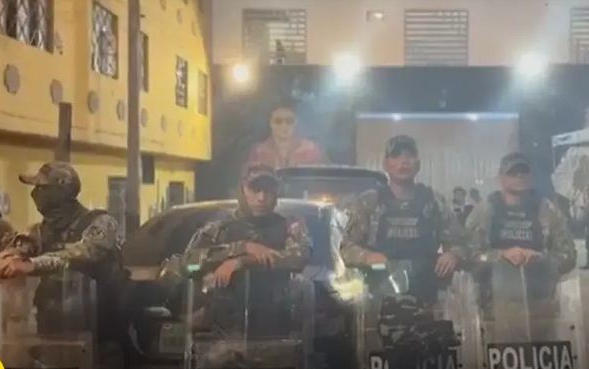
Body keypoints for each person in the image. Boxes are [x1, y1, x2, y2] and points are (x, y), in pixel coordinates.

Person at [0, 161, 126, 369]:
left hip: (98, 341)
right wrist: (10, 256)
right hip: (52, 339)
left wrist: (32, 265)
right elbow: (23, 246)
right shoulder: (40, 230)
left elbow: (81, 252)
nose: (35, 194)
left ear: (61, 190)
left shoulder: (101, 224)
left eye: (41, 187)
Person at [341, 134, 467, 355]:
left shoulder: (434, 201)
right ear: (386, 164)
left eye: (409, 155)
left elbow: (461, 243)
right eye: (397, 156)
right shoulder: (370, 202)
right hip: (380, 303)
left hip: (428, 302)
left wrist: (452, 255)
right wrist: (368, 257)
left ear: (418, 163)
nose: (404, 161)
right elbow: (347, 249)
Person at [182, 163, 311, 333]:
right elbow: (189, 260)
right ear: (243, 190)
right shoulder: (220, 228)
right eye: (255, 190)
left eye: (268, 191)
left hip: (275, 325)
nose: (262, 198)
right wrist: (243, 247)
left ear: (276, 194)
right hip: (222, 329)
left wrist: (241, 262)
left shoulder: (290, 227)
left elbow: (298, 257)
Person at [466, 152, 577, 277]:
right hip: (492, 285)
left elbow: (568, 256)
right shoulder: (484, 210)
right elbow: (468, 255)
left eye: (524, 171)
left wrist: (539, 258)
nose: (519, 176)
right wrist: (501, 255)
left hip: (538, 284)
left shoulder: (548, 210)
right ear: (501, 178)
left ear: (531, 177)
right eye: (513, 172)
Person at [247, 102, 329, 169]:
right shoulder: (258, 151)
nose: (284, 126)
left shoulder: (312, 149)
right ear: (270, 123)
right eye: (278, 121)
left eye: (289, 121)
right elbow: (247, 180)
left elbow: (327, 177)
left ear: (296, 122)